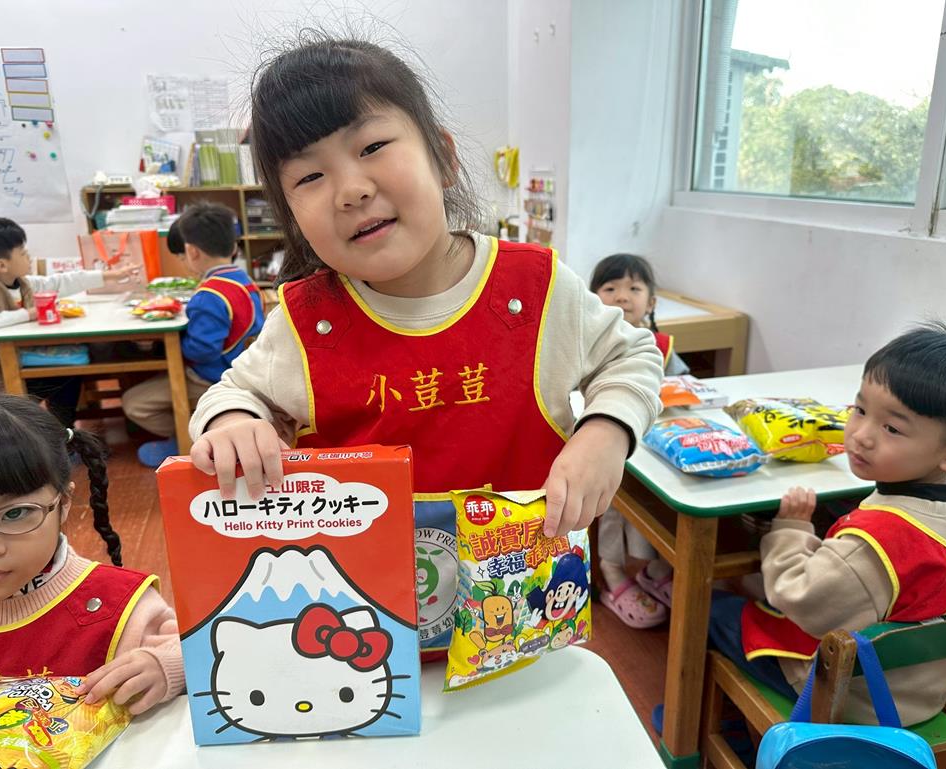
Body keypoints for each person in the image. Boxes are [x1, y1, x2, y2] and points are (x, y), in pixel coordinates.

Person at [187, 36, 663, 657]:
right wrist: (232, 421)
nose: (350, 189)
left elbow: (633, 354)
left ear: (443, 157)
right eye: (309, 176)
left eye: (372, 147)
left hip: (518, 626)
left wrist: (606, 432)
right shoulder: (307, 323)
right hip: (360, 641)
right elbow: (232, 392)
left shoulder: (535, 289)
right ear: (289, 215)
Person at [709, 324, 946, 725]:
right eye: (860, 410)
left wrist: (790, 529)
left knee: (712, 608)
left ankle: (706, 731)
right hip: (924, 691)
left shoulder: (871, 546)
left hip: (853, 700)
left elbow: (798, 600)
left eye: (892, 428)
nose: (861, 436)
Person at [0, 394, 185, 714]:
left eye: (14, 513)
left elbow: (209, 652)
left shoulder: (119, 608)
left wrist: (165, 665)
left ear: (64, 503)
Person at [122, 203, 263, 468]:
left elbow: (202, 351)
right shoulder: (245, 280)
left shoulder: (208, 294)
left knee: (133, 403)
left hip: (212, 376)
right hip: (243, 369)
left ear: (192, 251)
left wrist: (167, 344)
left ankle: (188, 438)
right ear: (234, 247)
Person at [0, 216, 139, 426]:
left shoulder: (22, 284)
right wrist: (28, 314)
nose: (29, 257)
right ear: (2, 265)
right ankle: (59, 431)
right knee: (65, 374)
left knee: (68, 371)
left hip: (23, 362)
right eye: (23, 253)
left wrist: (109, 275)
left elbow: (60, 282)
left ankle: (63, 430)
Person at [589, 253, 683, 628]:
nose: (623, 296)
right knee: (613, 501)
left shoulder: (663, 346)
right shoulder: (590, 340)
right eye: (610, 288)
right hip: (609, 446)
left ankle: (653, 568)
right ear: (592, 297)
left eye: (634, 288)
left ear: (652, 301)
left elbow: (686, 387)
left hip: (659, 443)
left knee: (660, 502)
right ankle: (611, 570)